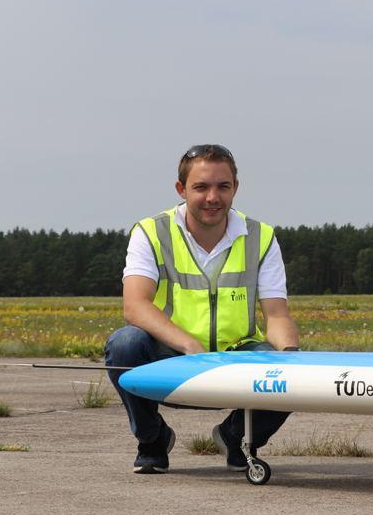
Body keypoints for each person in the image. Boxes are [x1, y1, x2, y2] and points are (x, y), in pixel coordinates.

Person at [105, 144, 300, 474]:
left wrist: (292, 357)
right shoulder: (151, 233)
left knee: (291, 371)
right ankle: (152, 440)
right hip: (174, 358)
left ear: (236, 188)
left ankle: (236, 437)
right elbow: (135, 306)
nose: (213, 197)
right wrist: (190, 348)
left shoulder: (261, 237)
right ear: (181, 189)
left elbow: (277, 314)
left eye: (223, 186)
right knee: (124, 344)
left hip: (236, 354)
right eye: (201, 187)